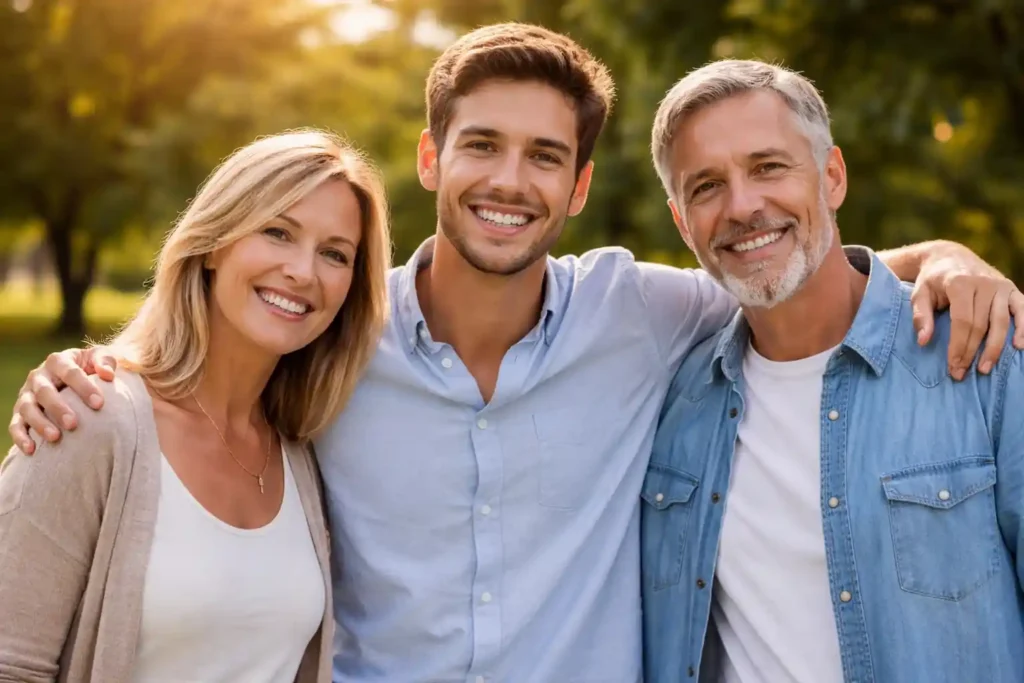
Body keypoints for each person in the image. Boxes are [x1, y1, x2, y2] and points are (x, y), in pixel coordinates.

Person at [8, 24, 1024, 683]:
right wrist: (92, 380)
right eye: (482, 144)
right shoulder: (334, 344)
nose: (510, 180)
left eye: (544, 156)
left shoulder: (641, 315)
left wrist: (946, 259)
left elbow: (782, 264)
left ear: (579, 189)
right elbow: (217, 354)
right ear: (429, 158)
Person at [640, 59, 1024, 683]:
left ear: (832, 176)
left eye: (768, 167)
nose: (743, 206)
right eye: (706, 186)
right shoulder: (673, 403)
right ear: (683, 221)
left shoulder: (986, 356)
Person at [0, 129, 391, 682]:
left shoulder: (303, 452)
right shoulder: (87, 419)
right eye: (278, 232)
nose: (304, 272)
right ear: (213, 243)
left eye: (334, 254)